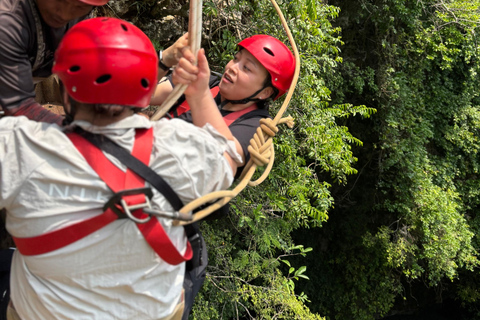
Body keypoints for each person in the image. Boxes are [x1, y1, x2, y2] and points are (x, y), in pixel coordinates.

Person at [0, 17, 240, 320]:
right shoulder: (181, 148)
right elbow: (229, 156)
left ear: (64, 88)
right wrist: (200, 93)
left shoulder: (17, 147)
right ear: (146, 89)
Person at [154, 34, 296, 319]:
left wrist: (198, 93)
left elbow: (224, 157)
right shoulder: (211, 83)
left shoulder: (253, 127)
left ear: (265, 93)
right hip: (138, 170)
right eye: (236, 59)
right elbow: (143, 94)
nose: (233, 67)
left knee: (191, 268)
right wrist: (163, 62)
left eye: (247, 68)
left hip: (170, 210)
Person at [0, 0, 186, 124]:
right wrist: (80, 134)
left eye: (79, 6)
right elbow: (19, 106)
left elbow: (109, 79)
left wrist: (165, 60)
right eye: (60, 0)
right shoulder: (8, 22)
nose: (64, 14)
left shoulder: (81, 15)